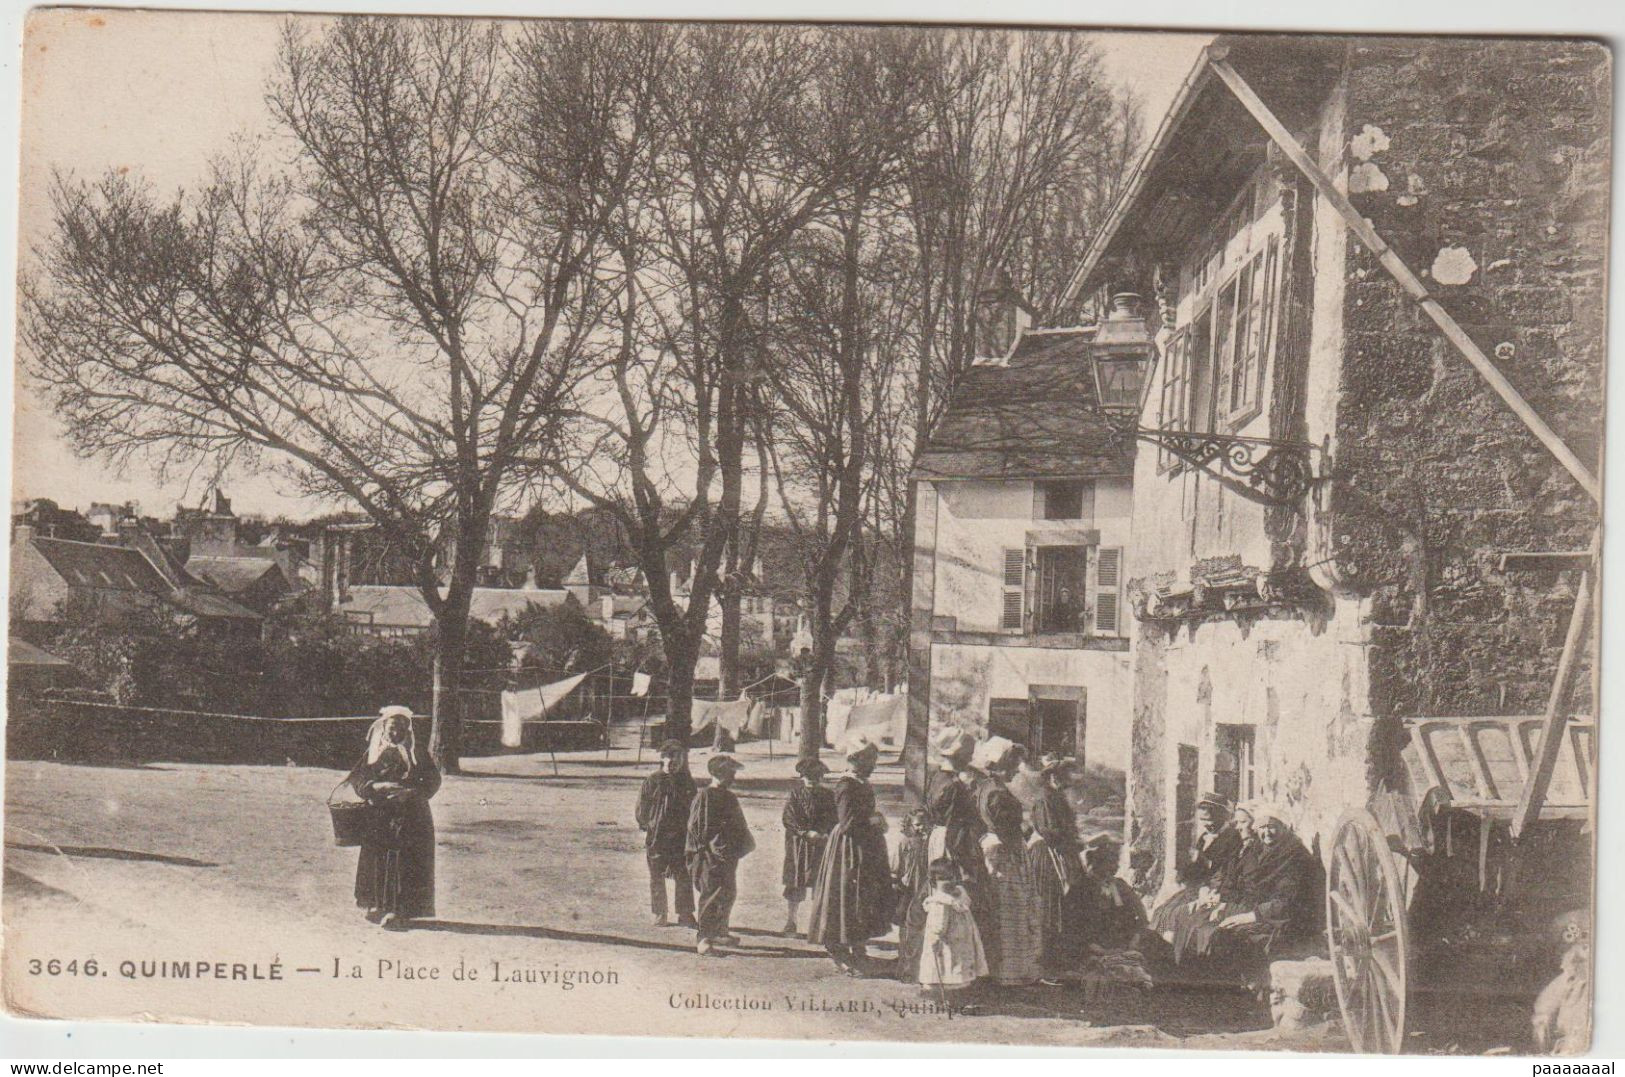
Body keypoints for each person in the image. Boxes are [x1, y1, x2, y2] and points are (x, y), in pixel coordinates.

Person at [350, 706, 440, 931]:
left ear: (407, 730)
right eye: (391, 728)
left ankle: (397, 910)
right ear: (384, 728)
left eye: (400, 729)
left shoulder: (416, 753)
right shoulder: (374, 752)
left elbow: (432, 781)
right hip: (379, 815)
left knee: (402, 862)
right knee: (378, 858)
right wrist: (376, 786)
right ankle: (375, 904)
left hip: (411, 817)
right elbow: (358, 779)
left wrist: (410, 792)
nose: (395, 733)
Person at [808, 737, 893, 975]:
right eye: (870, 759)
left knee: (862, 898)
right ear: (856, 760)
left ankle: (858, 947)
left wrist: (875, 817)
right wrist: (873, 820)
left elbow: (861, 812)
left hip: (865, 845)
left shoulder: (861, 782)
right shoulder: (846, 785)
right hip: (849, 847)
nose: (874, 764)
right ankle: (839, 950)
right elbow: (847, 823)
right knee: (846, 897)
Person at [973, 736, 1044, 986]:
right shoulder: (997, 794)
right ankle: (1008, 974)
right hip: (1006, 856)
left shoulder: (984, 787)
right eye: (1013, 764)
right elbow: (1008, 830)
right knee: (1011, 912)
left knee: (1004, 913)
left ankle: (1000, 971)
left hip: (996, 852)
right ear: (999, 764)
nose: (1016, 769)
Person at [686, 754, 755, 956]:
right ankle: (704, 937)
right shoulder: (705, 795)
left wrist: (738, 846)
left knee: (728, 892)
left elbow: (739, 825)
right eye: (729, 773)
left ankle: (720, 931)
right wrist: (709, 848)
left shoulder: (729, 796)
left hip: (728, 854)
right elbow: (696, 827)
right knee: (711, 894)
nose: (733, 776)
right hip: (709, 856)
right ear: (718, 773)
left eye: (733, 772)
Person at [1149, 791, 1240, 943]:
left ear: (1222, 816)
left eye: (1210, 819)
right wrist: (1186, 873)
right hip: (1200, 886)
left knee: (1185, 916)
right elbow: (1199, 865)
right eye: (1203, 820)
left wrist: (1210, 888)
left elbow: (1229, 869)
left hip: (1219, 890)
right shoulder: (1204, 838)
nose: (1207, 824)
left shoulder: (1232, 837)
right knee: (1163, 911)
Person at [1029, 756, 1088, 974]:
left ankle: (1061, 955)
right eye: (1061, 776)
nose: (1066, 781)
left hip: (1063, 852)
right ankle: (1046, 959)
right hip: (1048, 854)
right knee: (1049, 902)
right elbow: (1048, 831)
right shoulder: (1044, 799)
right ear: (1051, 777)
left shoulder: (1058, 797)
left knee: (1066, 901)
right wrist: (1070, 841)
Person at [636, 739, 698, 928]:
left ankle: (685, 913)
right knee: (657, 875)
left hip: (680, 837)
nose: (673, 764)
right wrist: (649, 824)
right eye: (669, 760)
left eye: (677, 760)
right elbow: (641, 809)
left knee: (684, 875)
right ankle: (660, 913)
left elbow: (694, 809)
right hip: (658, 837)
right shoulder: (652, 781)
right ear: (662, 759)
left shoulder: (687, 782)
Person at [926, 728, 987, 908]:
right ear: (956, 754)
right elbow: (954, 824)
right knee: (953, 890)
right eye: (967, 755)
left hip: (940, 837)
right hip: (952, 842)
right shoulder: (953, 786)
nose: (969, 760)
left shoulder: (938, 777)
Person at [781, 757, 837, 936]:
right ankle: (791, 921)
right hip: (800, 846)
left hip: (822, 845)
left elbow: (834, 818)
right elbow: (789, 819)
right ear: (802, 777)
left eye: (816, 776)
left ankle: (819, 924)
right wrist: (804, 832)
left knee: (820, 884)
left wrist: (827, 833)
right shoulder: (795, 795)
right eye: (808, 776)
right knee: (796, 883)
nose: (812, 779)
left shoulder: (828, 796)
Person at [919, 858, 987, 996]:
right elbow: (941, 923)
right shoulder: (948, 899)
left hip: (954, 939)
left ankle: (954, 990)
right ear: (933, 882)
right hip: (953, 938)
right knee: (950, 962)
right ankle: (949, 989)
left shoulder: (950, 898)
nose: (948, 882)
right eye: (942, 879)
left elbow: (941, 925)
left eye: (951, 877)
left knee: (953, 962)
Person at [893, 809, 933, 982]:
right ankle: (905, 967)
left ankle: (919, 968)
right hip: (908, 891)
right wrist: (896, 881)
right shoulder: (905, 842)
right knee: (906, 930)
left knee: (922, 930)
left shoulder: (931, 842)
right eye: (917, 824)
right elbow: (896, 866)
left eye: (925, 824)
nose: (921, 828)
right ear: (909, 825)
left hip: (924, 891)